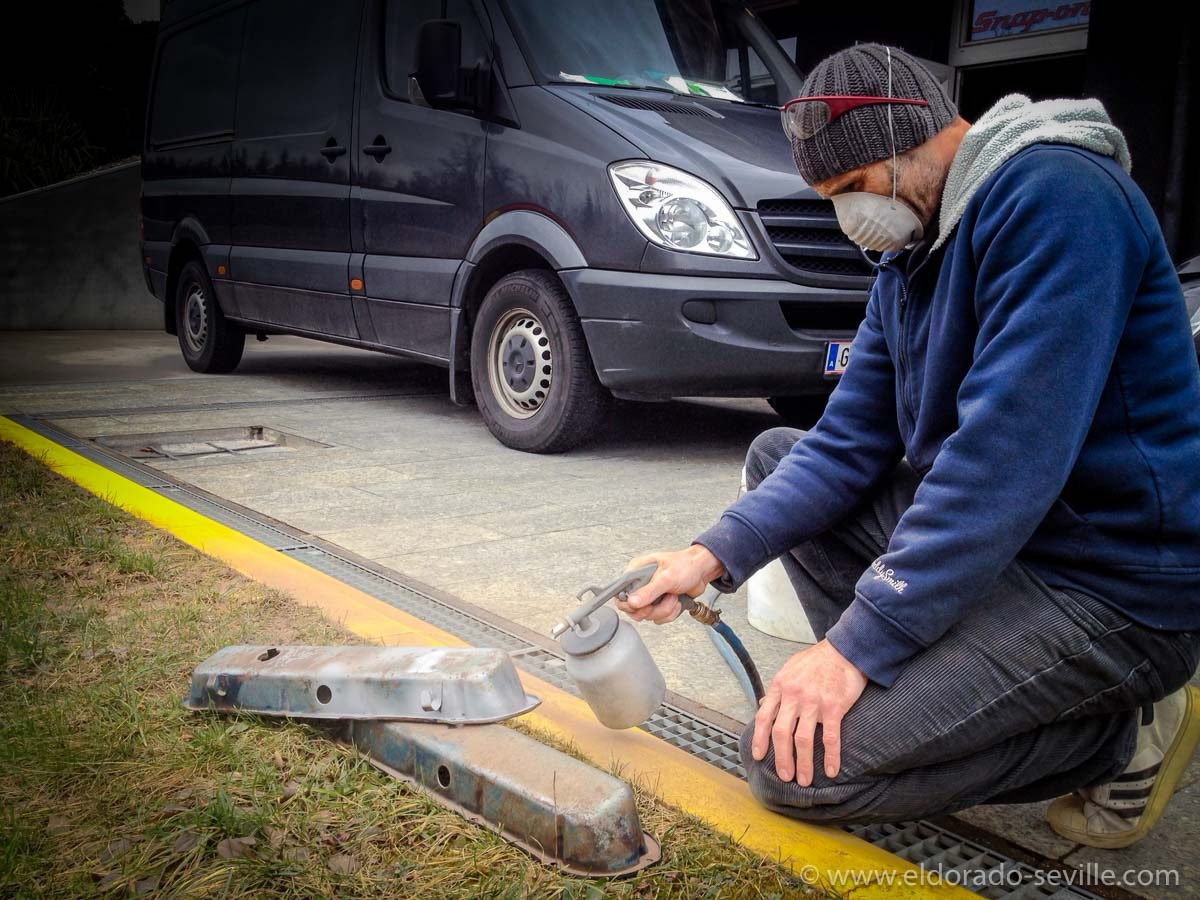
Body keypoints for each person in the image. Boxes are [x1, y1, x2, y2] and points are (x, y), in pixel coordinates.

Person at [618, 43, 1200, 847]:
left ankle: (1118, 735)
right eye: (831, 199)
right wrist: (708, 555)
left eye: (853, 188)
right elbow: (847, 439)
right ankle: (928, 695)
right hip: (1015, 551)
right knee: (779, 459)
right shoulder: (909, 255)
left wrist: (858, 646)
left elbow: (1003, 460)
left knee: (797, 775)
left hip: (1111, 580)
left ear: (912, 133)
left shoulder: (1061, 199)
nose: (850, 219)